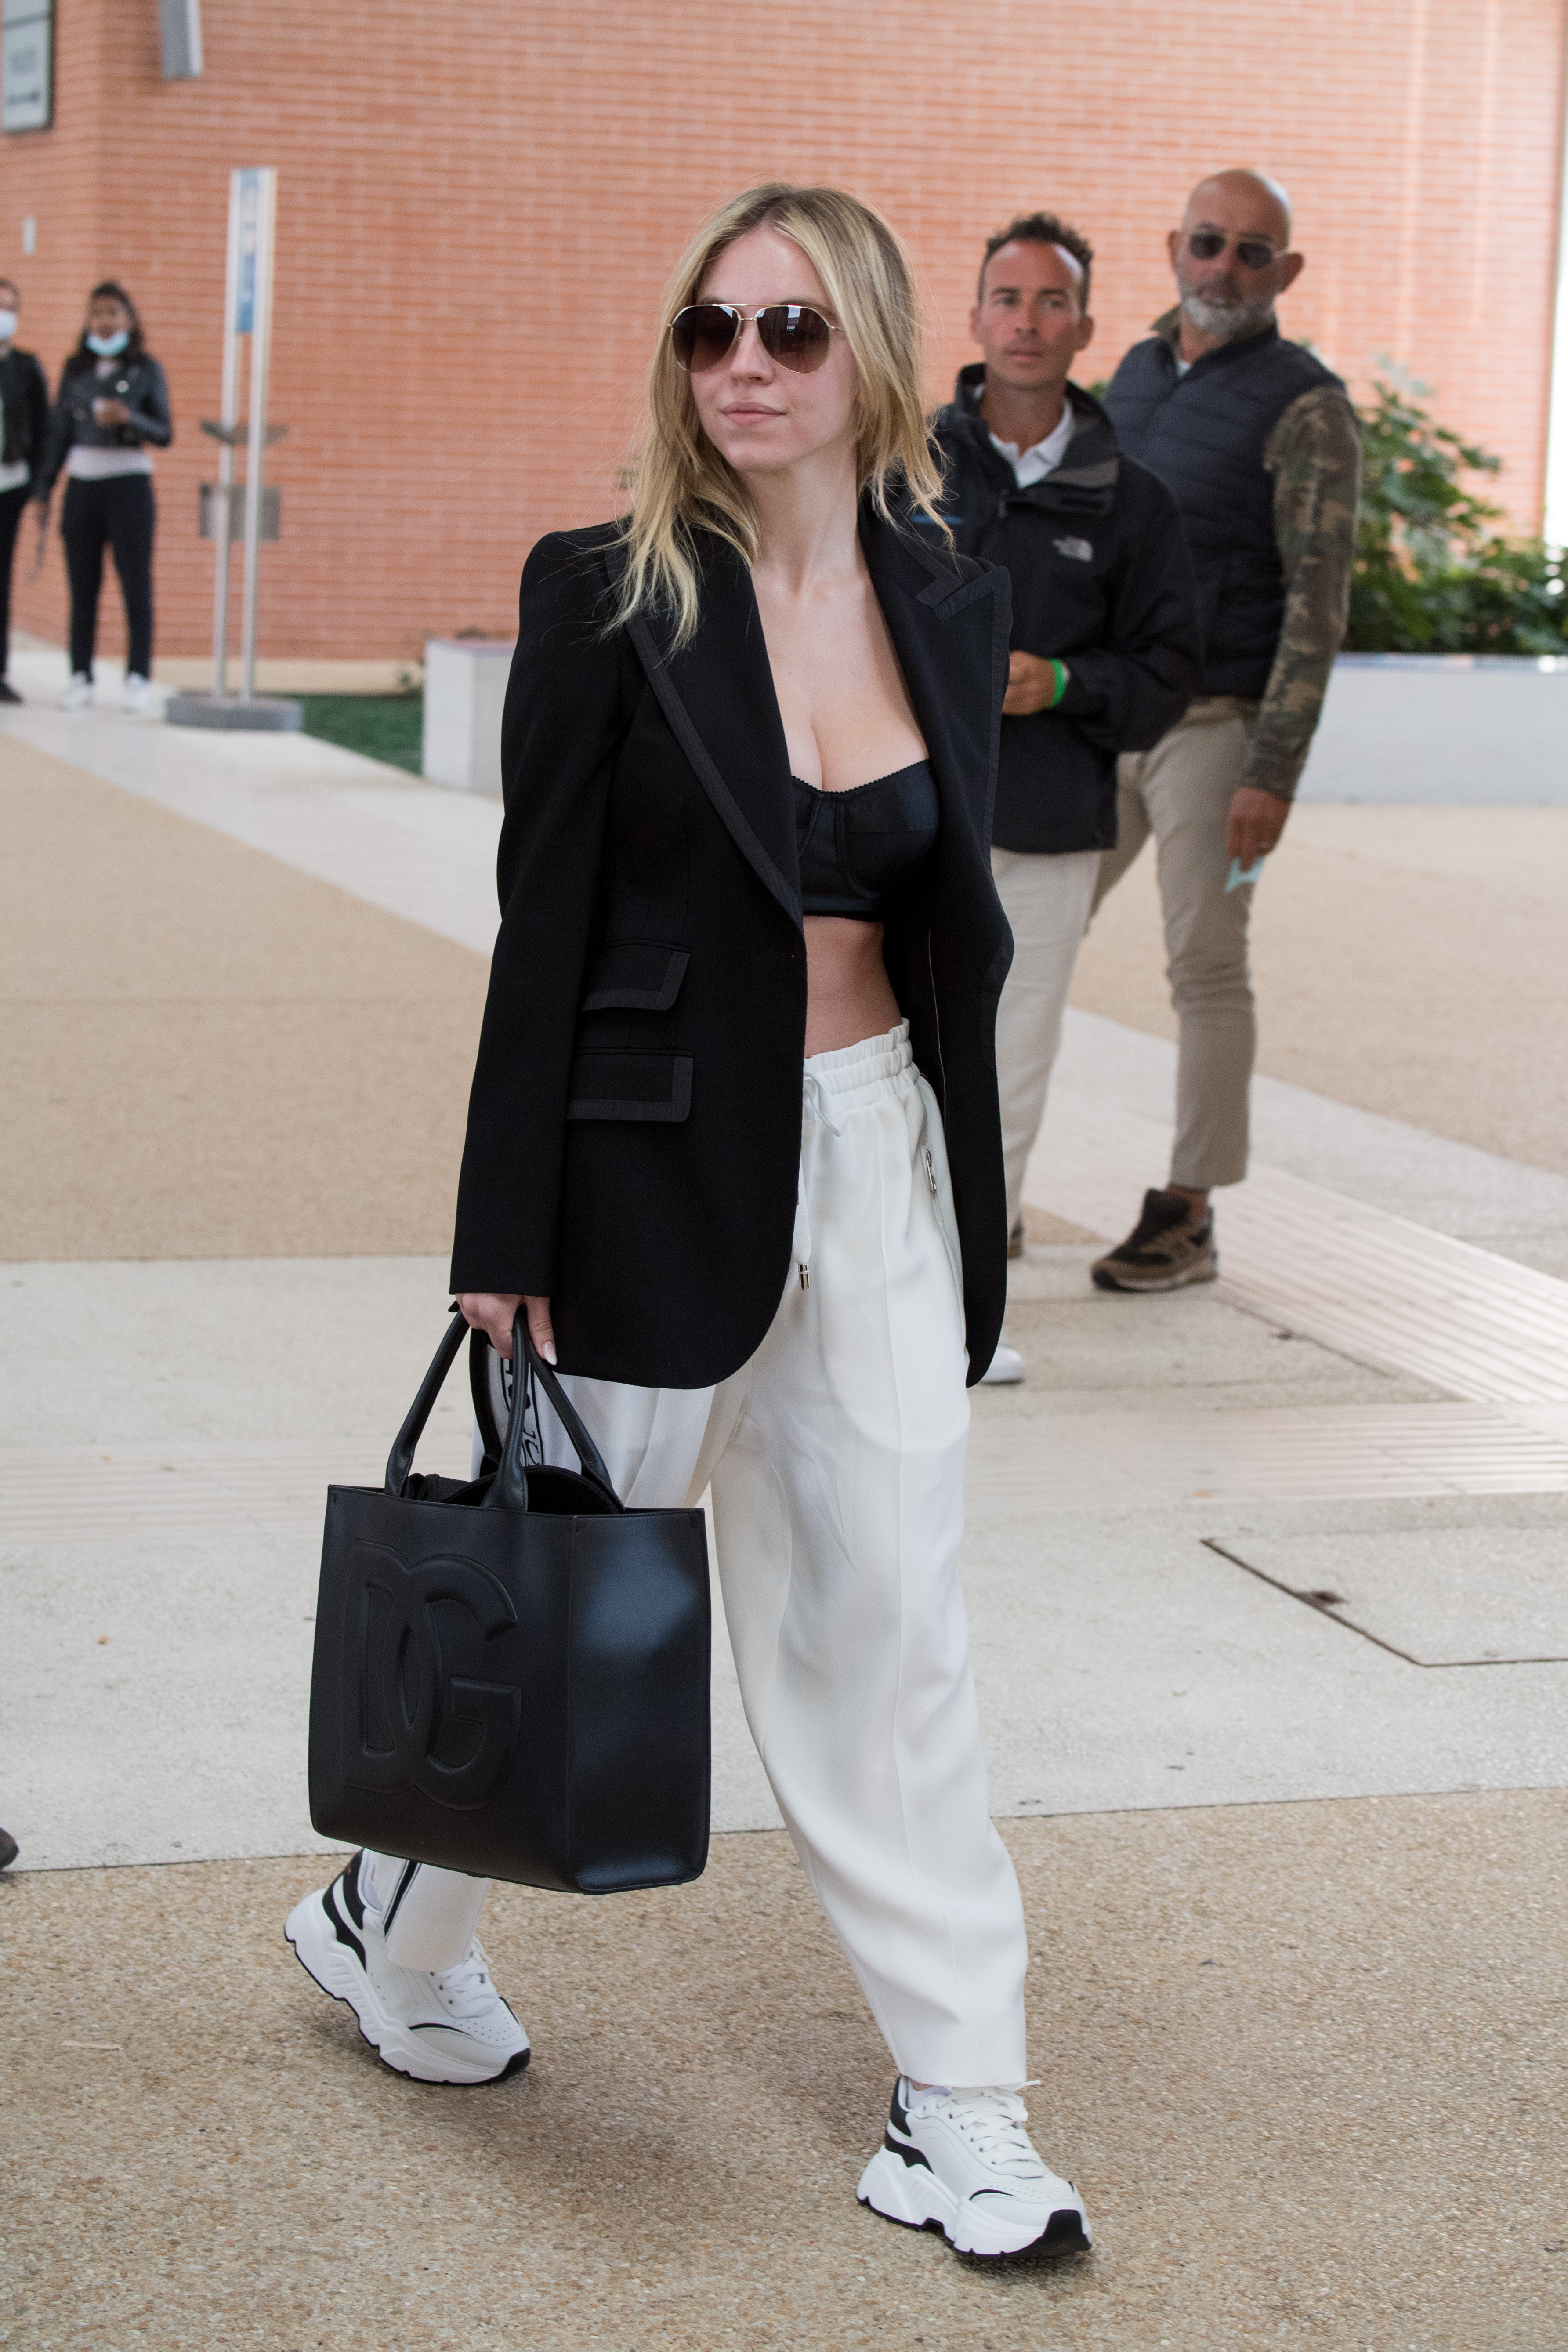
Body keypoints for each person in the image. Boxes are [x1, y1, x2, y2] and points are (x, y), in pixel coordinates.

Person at [286, 182, 1092, 2264]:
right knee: (566, 1599)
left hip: (874, 1164)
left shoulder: (938, 581)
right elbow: (534, 928)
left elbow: (941, 913)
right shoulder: (603, 593)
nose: (742, 364)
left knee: (890, 1628)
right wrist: (499, 1230)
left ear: (870, 359)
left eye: (791, 332)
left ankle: (958, 2100)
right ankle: (394, 1914)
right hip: (638, 1168)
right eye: (708, 330)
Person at [931, 214, 1201, 1373]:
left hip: (1045, 825)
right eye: (1008, 297)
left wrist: (1064, 682)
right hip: (903, 816)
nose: (1027, 322)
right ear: (977, 315)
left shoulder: (1133, 503)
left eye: (1052, 303)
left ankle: (962, 1318)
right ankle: (852, 1297)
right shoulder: (902, 471)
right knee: (872, 1058)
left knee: (1007, 1066)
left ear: (1086, 326)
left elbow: (1167, 671)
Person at [1091, 169, 1360, 1291]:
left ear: (1283, 272)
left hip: (1215, 727)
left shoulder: (1305, 406)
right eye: (1208, 242)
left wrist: (1272, 771)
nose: (1224, 267)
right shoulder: (1133, 373)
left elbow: (1317, 599)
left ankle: (1188, 1210)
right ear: (1171, 245)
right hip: (1098, 712)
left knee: (1204, 968)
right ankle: (977, 1188)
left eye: (1253, 252)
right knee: (1001, 938)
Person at [35, 281, 171, 714]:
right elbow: (58, 433)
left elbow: (164, 431)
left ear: (128, 320)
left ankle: (138, 677)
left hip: (129, 483)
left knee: (136, 584)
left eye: (113, 312)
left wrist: (129, 418)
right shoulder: (76, 370)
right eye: (97, 312)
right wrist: (45, 488)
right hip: (83, 483)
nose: (104, 320)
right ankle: (80, 676)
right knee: (82, 586)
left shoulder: (147, 370)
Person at [0, 279, 48, 703]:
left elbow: (44, 430)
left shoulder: (26, 367)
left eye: (10, 307)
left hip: (9, 484)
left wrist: (39, 486)